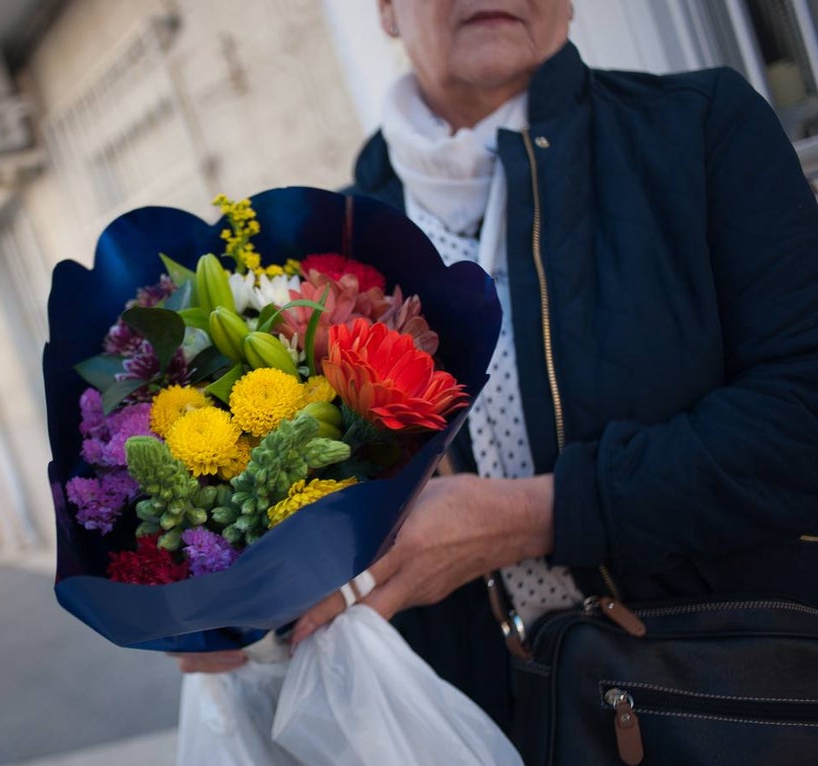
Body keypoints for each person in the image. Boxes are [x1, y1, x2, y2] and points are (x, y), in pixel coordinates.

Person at [175, 0, 818, 732]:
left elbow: (803, 416)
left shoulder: (697, 133)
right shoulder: (324, 256)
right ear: (385, 9)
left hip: (729, 703)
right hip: (472, 726)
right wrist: (233, 597)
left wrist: (534, 517)